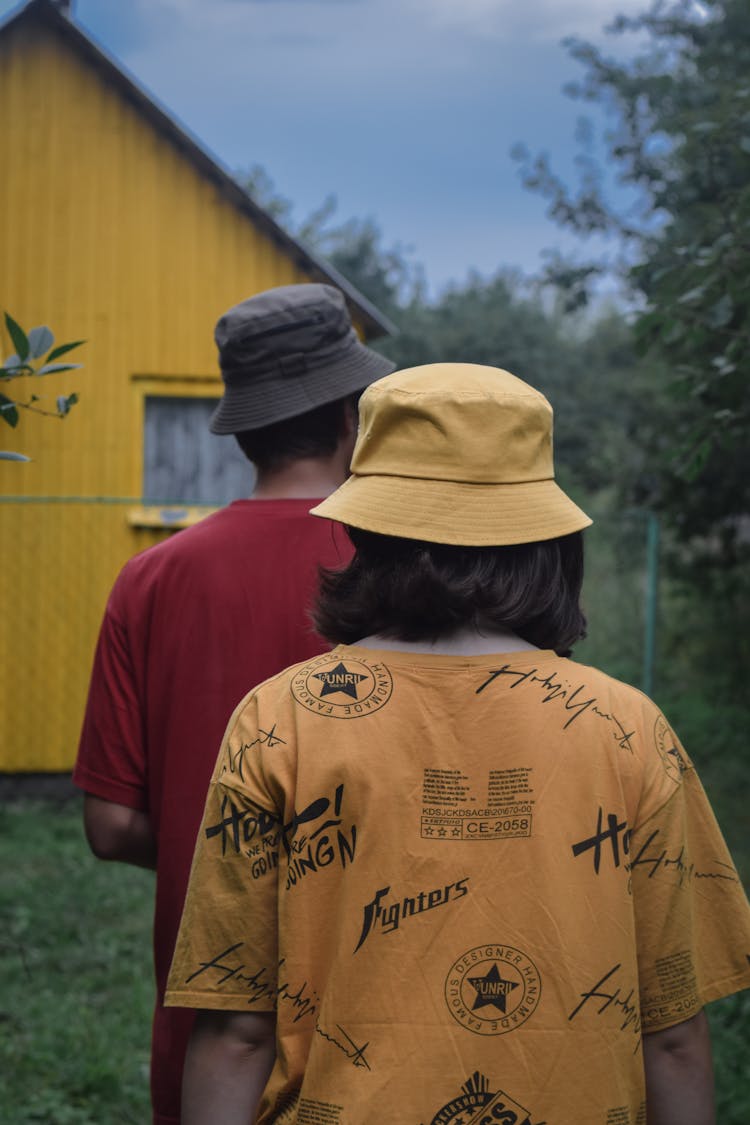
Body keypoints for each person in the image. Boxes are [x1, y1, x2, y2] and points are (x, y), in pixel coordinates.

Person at [166, 362, 750, 1124]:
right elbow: (671, 1034)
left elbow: (236, 1030)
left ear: (365, 525)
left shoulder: (280, 719)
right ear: (546, 534)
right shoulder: (626, 727)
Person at [72, 283, 395, 1125]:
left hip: (209, 1031)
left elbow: (110, 826)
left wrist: (207, 845)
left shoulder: (150, 577)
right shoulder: (405, 569)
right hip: (387, 1015)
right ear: (348, 415)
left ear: (243, 428)